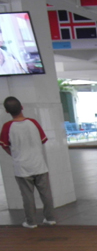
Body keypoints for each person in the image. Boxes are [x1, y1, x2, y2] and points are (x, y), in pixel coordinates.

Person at [0, 96, 56, 228]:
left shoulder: (7, 126)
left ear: (7, 111)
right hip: (39, 165)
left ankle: (31, 222)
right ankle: (50, 218)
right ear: (22, 107)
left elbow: (4, 145)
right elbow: (43, 140)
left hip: (22, 167)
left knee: (27, 196)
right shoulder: (33, 122)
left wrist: (15, 154)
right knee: (46, 194)